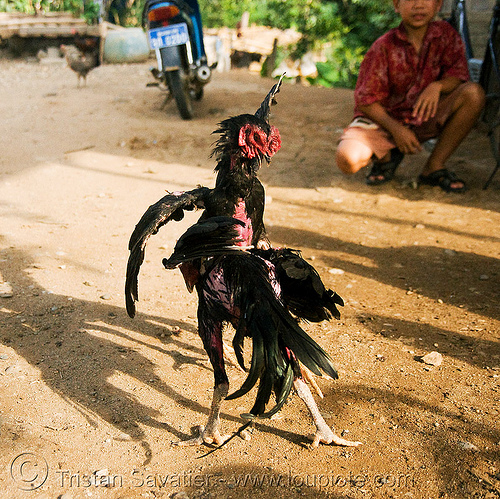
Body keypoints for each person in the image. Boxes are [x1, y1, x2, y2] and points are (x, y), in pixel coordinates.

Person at [335, 0, 486, 193]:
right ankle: (386, 158)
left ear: (438, 4)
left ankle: (434, 166)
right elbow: (366, 102)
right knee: (348, 159)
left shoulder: (447, 36)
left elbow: (458, 75)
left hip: (422, 117)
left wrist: (437, 86)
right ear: (396, 5)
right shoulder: (383, 46)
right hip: (383, 123)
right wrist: (397, 130)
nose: (418, 5)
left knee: (474, 94)